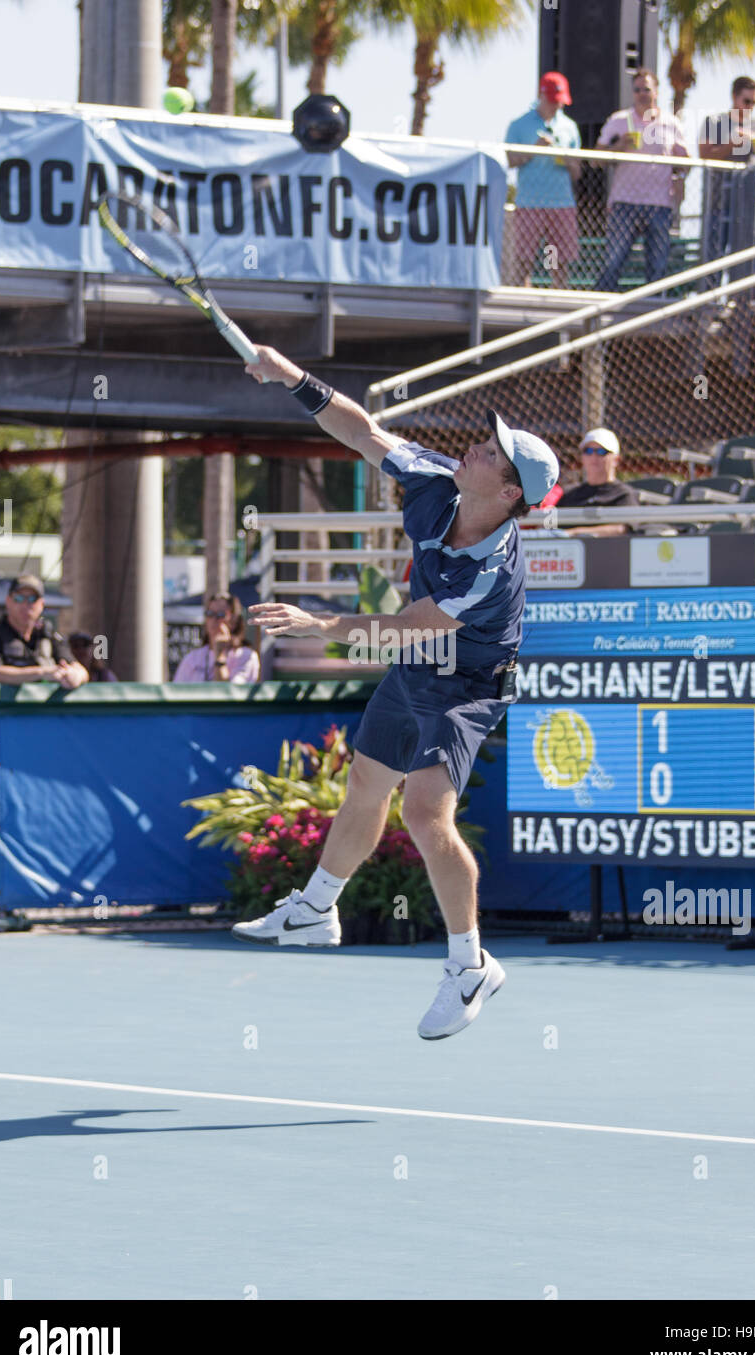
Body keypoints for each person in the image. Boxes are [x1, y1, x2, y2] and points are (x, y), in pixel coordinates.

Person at [232, 346, 559, 1042]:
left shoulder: (488, 572)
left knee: (425, 812)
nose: (471, 448)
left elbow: (409, 627)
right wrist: (287, 374)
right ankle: (319, 908)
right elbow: (362, 432)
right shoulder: (437, 480)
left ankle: (469, 967)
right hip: (417, 671)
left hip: (467, 687)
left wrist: (319, 622)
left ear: (507, 494)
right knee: (366, 785)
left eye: (488, 453)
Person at [595, 69, 689, 293]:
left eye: (646, 89)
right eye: (637, 90)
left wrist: (680, 177)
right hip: (624, 203)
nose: (641, 94)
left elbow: (685, 161)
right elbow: (595, 159)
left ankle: (654, 314)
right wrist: (619, 146)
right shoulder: (619, 120)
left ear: (656, 91)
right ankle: (599, 309)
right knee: (613, 262)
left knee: (657, 266)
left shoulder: (671, 123)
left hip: (659, 205)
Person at [505, 71, 581, 289]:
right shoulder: (519, 125)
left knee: (557, 260)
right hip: (530, 202)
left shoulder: (569, 127)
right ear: (542, 95)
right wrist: (533, 150)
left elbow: (577, 173)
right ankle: (522, 300)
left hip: (561, 203)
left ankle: (556, 300)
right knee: (525, 258)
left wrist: (566, 159)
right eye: (552, 101)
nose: (556, 106)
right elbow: (509, 161)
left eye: (560, 102)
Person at [698, 77, 755, 266]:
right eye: (746, 101)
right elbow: (704, 156)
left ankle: (741, 297)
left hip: (747, 205)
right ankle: (710, 295)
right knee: (713, 260)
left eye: (754, 102)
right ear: (734, 97)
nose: (750, 107)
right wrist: (732, 143)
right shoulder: (714, 122)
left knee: (745, 263)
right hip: (718, 203)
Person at [0, 574, 88, 688]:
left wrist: (75, 676)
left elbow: (80, 669)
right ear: (8, 601)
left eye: (32, 599)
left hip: (45, 707)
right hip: (4, 707)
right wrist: (42, 673)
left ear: (42, 604)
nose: (25, 604)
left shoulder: (48, 634)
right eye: (19, 598)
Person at [557, 429, 638, 537]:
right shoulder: (569, 494)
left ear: (616, 460)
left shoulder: (624, 494)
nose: (593, 457)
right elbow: (549, 524)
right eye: (588, 451)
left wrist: (573, 533)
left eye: (601, 452)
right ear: (582, 457)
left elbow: (622, 528)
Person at [172, 593, 260, 683]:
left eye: (221, 614)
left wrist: (220, 656)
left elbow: (229, 693)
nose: (214, 619)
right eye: (210, 613)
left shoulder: (245, 656)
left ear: (234, 621)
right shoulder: (192, 658)